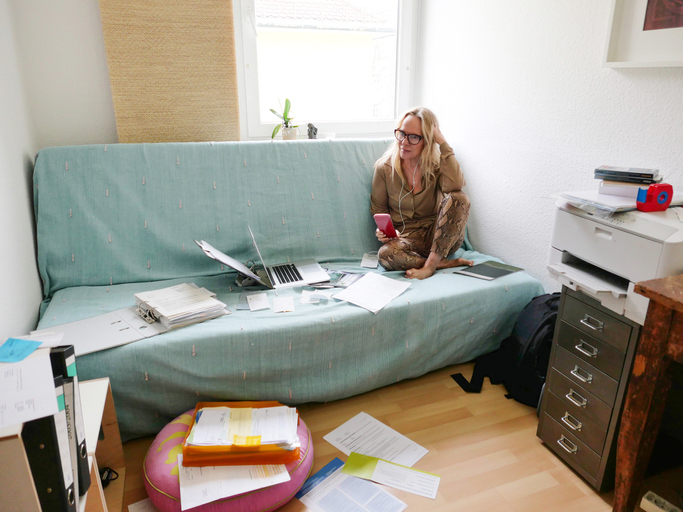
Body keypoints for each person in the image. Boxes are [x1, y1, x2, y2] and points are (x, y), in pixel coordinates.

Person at [370, 107, 473, 280]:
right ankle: (437, 262)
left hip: (442, 238)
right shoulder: (384, 169)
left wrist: (443, 143)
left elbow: (456, 186)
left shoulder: (439, 165)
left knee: (459, 197)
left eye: (413, 137)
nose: (404, 142)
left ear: (428, 140)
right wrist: (386, 232)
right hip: (407, 242)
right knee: (386, 255)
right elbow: (379, 210)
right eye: (401, 133)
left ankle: (429, 267)